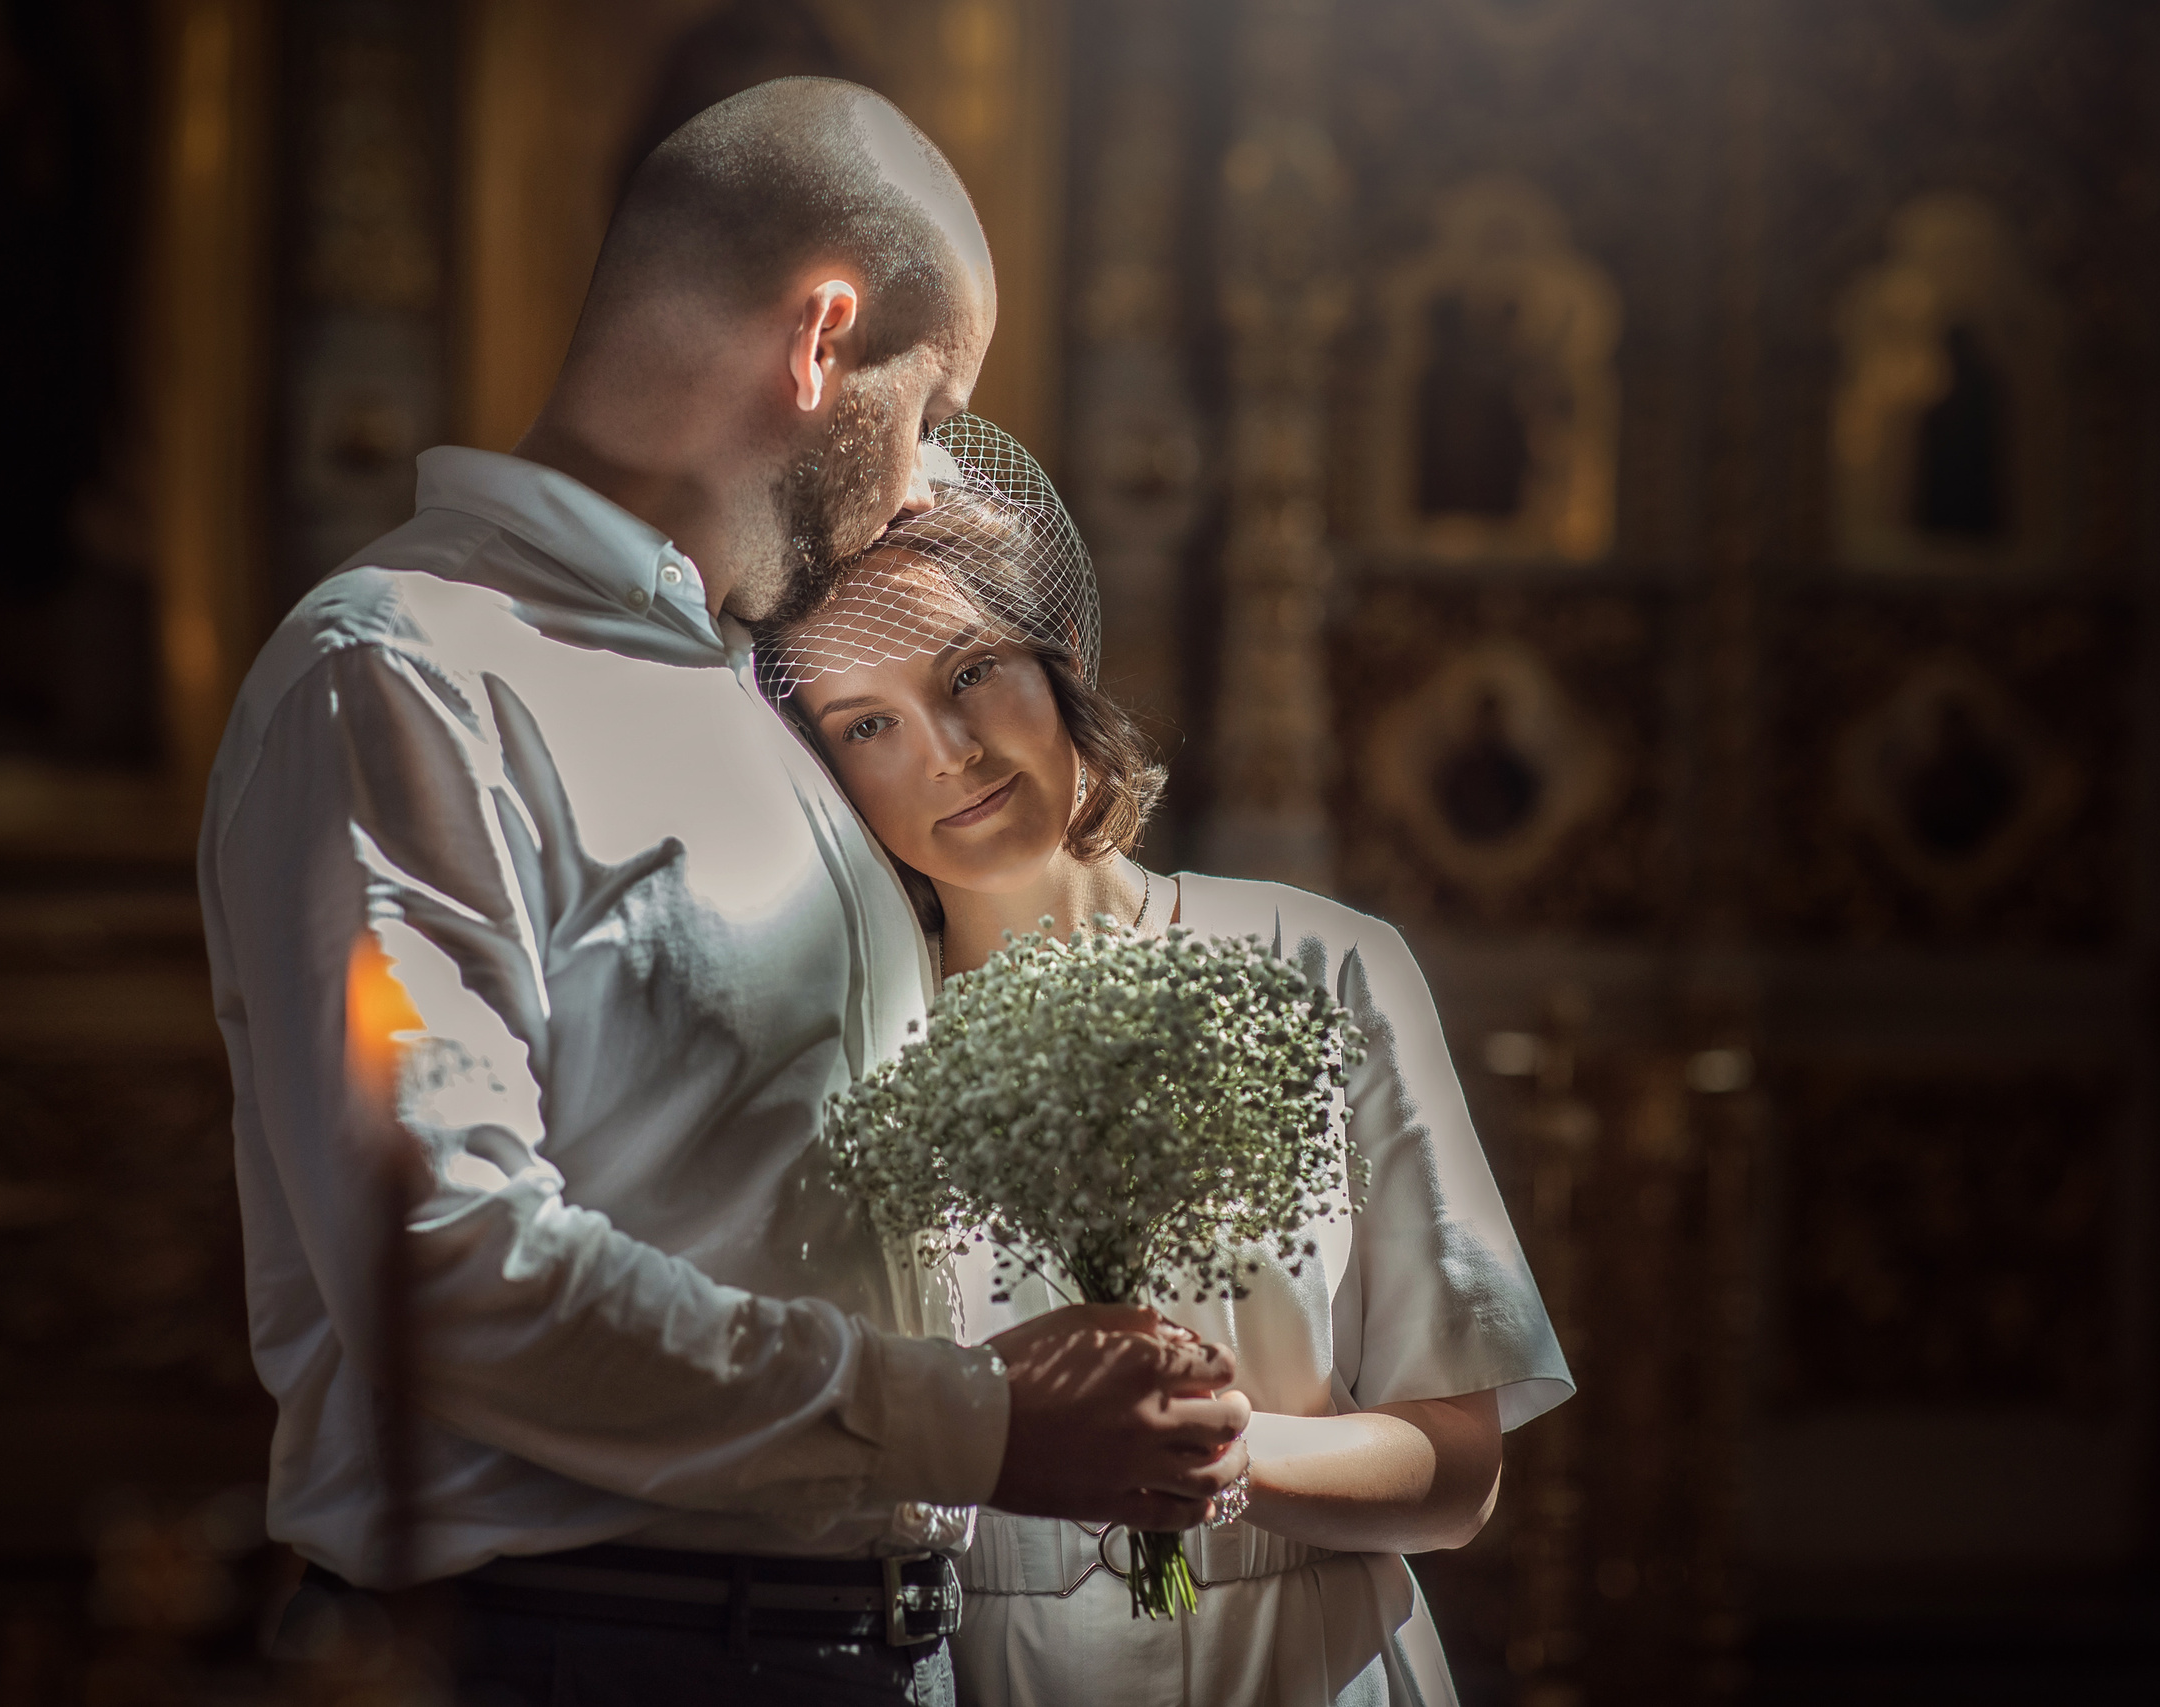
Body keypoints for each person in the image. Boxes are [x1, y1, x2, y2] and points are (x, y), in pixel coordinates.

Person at [198, 81, 1250, 1707]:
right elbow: (443, 1258)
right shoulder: (405, 671)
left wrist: (1038, 1357)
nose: (915, 487)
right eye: (930, 402)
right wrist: (982, 1422)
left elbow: (759, 1202)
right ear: (823, 338)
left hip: (850, 1649)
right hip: (599, 1651)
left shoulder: (758, 704)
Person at [757, 420, 1574, 1707]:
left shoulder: (1324, 965)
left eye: (971, 672)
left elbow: (1457, 1476)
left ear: (1062, 652)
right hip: (992, 1671)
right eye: (867, 727)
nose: (946, 753)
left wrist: (1226, 1457)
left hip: (1310, 1665)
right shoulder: (847, 1044)